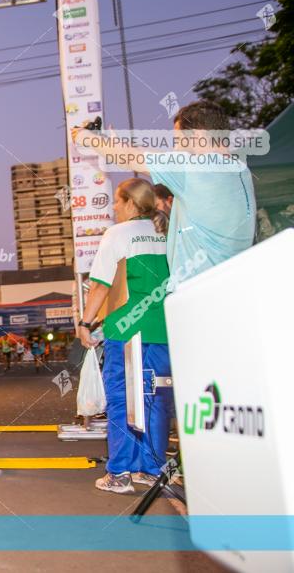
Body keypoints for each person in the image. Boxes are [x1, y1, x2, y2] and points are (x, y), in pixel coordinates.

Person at [73, 99, 255, 292]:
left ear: (199, 134)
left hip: (198, 293)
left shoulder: (195, 167)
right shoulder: (240, 171)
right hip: (233, 288)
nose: (176, 149)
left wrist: (85, 137)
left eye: (179, 140)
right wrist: (114, 146)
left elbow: (129, 158)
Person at [76, 178, 174, 494]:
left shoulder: (118, 234)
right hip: (163, 330)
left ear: (130, 202)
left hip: (129, 329)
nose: (114, 208)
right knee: (157, 399)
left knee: (122, 399)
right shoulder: (164, 233)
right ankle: (150, 468)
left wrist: (85, 323)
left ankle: (119, 473)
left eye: (117, 202)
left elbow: (101, 285)